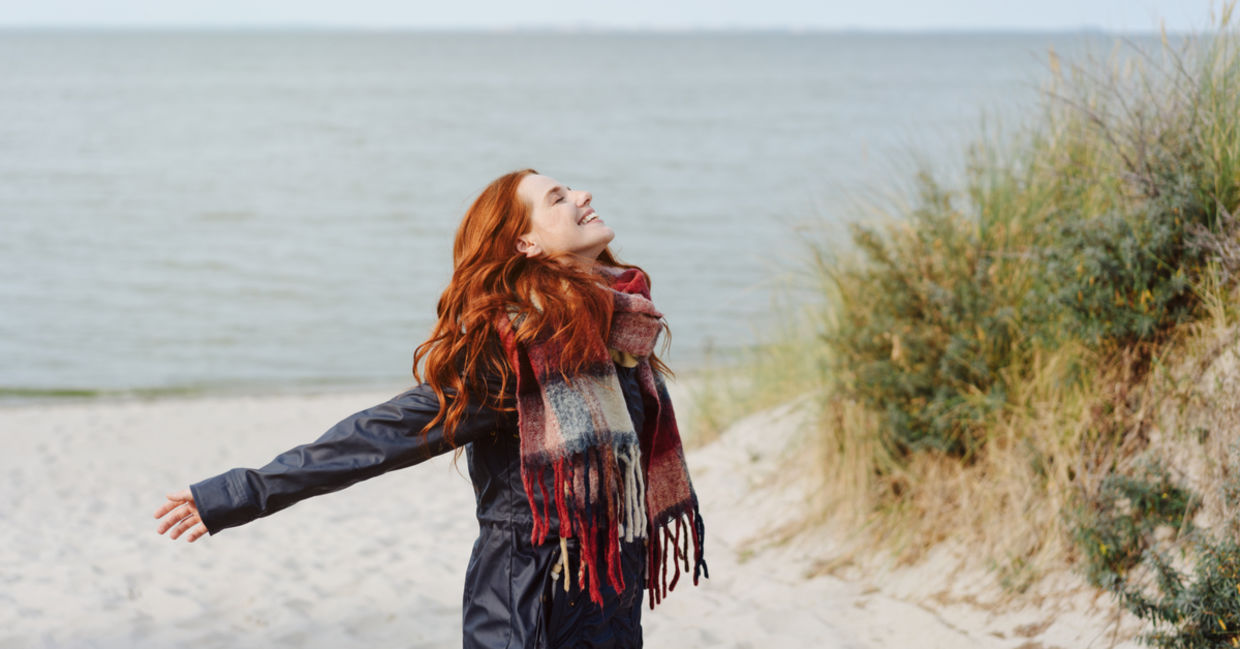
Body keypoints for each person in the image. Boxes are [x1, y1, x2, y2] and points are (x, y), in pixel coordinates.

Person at [153, 169, 708, 649]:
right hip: (532, 601)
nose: (583, 195)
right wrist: (240, 491)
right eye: (558, 198)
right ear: (526, 245)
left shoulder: (619, 334)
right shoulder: (512, 350)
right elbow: (382, 434)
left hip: (609, 586)